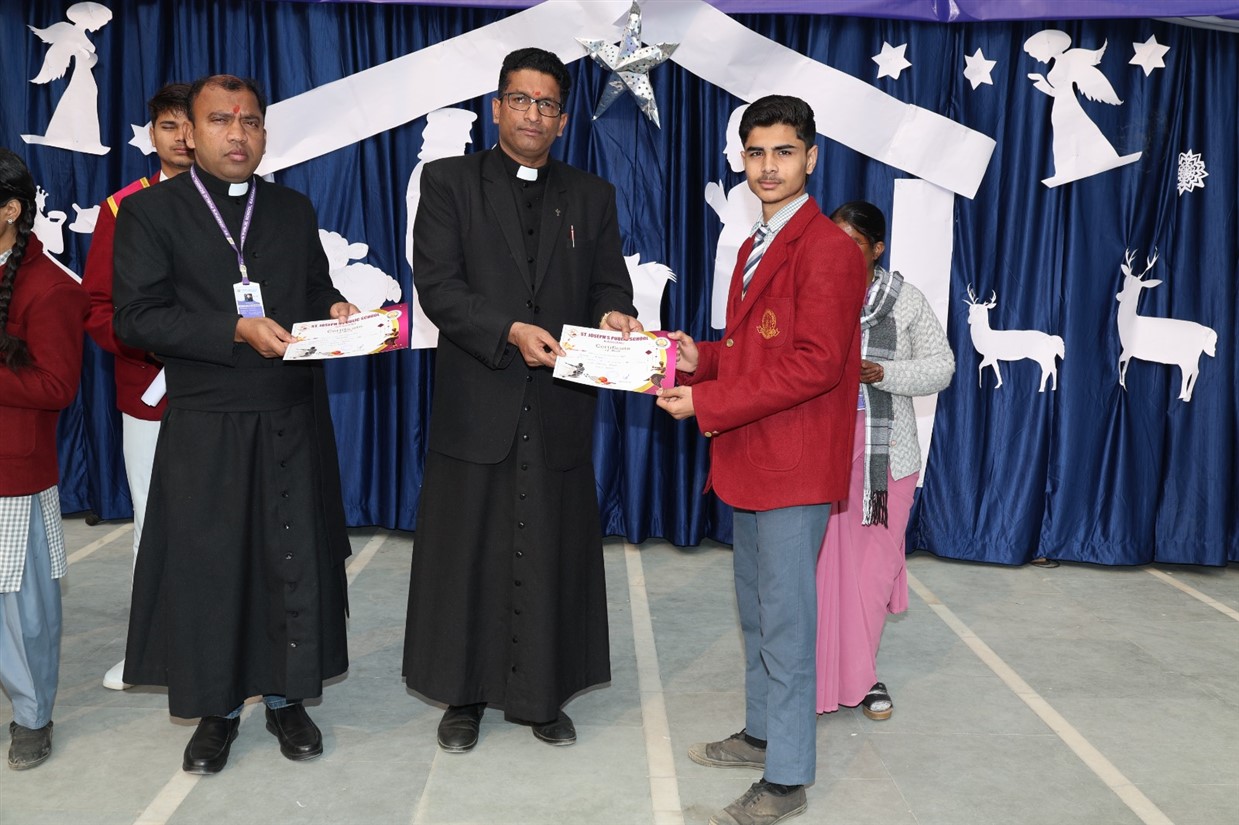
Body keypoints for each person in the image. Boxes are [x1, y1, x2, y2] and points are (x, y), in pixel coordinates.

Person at [112, 75, 359, 775]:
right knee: (212, 570)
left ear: (264, 132)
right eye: (220, 120)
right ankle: (216, 710)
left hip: (288, 414)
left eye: (250, 120)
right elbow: (136, 318)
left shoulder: (290, 208)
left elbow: (313, 287)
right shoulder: (149, 213)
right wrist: (234, 328)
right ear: (190, 133)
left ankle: (285, 697)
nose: (237, 133)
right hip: (208, 420)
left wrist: (335, 308)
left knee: (289, 561)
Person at [402, 47, 640, 754]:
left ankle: (543, 695)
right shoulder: (448, 182)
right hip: (479, 398)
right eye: (520, 99)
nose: (532, 114)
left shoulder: (592, 195)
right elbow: (437, 287)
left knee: (550, 551)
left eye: (547, 104)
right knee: (467, 552)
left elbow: (609, 282)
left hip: (560, 403)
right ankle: (464, 695)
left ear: (562, 120)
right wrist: (507, 330)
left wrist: (614, 314)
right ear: (496, 107)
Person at [656, 96, 866, 825]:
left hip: (792, 467)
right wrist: (703, 359)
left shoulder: (829, 248)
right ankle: (761, 734)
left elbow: (815, 365)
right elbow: (758, 350)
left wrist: (706, 401)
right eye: (755, 152)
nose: (768, 166)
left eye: (783, 152)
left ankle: (788, 777)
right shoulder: (754, 243)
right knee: (756, 611)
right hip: (751, 457)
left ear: (811, 157)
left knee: (786, 623)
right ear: (741, 159)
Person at [815, 201, 955, 721]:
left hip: (887, 458)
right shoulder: (810, 290)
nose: (840, 251)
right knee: (822, 571)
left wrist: (884, 374)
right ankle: (815, 679)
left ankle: (862, 677)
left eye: (853, 243)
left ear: (877, 249)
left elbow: (942, 367)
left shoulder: (906, 301)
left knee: (870, 574)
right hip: (820, 451)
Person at [82, 82, 193, 692]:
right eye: (168, 126)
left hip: (227, 389)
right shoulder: (122, 207)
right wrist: (156, 346)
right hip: (150, 393)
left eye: (189, 125)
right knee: (153, 520)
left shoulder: (240, 202)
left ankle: (231, 652)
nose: (181, 138)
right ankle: (149, 652)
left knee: (232, 521)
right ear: (152, 136)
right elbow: (99, 307)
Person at [0, 148, 89, 770]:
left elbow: (57, 387)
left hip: (13, 473)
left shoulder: (51, 286)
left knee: (22, 611)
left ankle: (32, 717)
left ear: (9, 210)